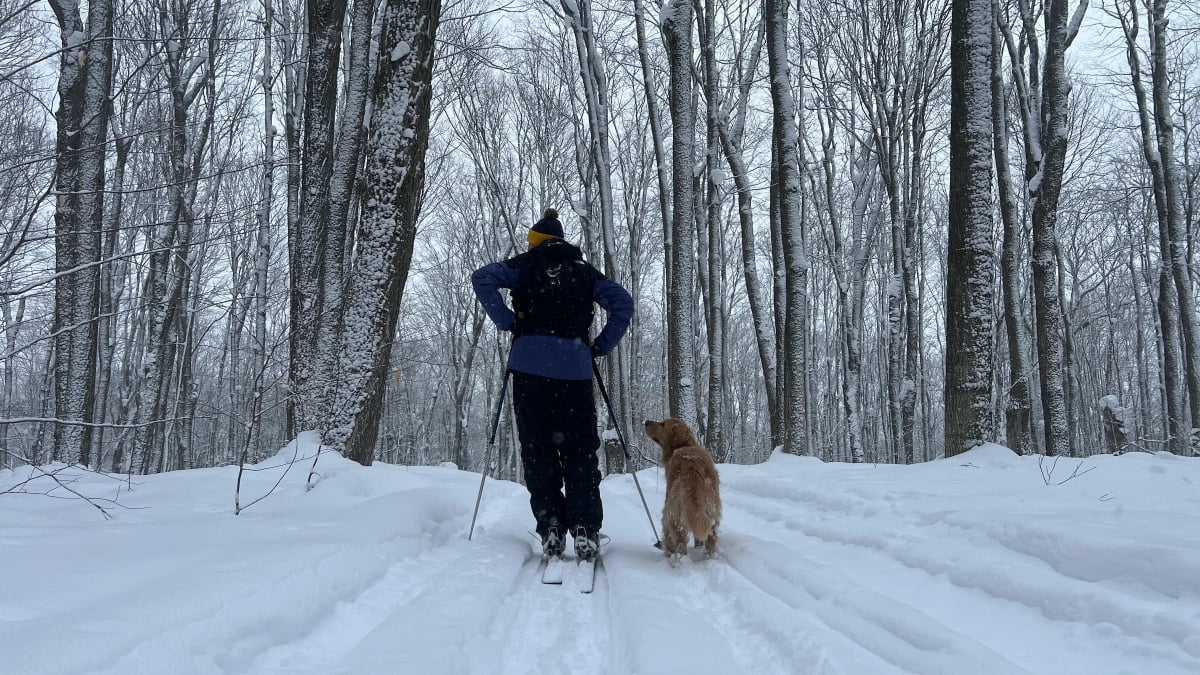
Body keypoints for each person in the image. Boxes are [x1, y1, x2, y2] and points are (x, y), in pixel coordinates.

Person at [471, 208, 634, 561]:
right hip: (574, 369)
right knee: (579, 451)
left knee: (537, 449)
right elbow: (623, 304)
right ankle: (585, 528)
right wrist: (601, 345)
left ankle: (552, 528)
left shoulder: (522, 265)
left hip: (529, 369)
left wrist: (507, 320)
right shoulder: (585, 272)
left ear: (537, 243)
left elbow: (482, 278)